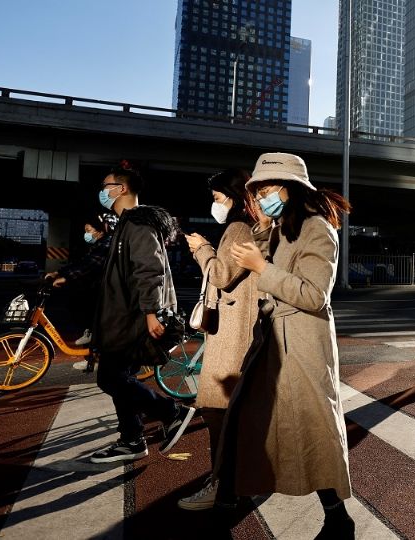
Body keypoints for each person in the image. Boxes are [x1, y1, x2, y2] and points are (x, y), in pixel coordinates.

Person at [223, 153, 354, 536]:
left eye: (267, 189)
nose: (262, 196)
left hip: (302, 342)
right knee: (256, 420)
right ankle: (236, 488)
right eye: (258, 191)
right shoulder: (283, 227)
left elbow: (314, 295)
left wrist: (261, 268)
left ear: (290, 188)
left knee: (312, 427)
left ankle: (337, 518)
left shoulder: (317, 229)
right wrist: (264, 232)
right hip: (275, 343)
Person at [89, 165, 195, 463]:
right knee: (122, 378)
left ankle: (170, 411)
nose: (102, 190)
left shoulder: (138, 225)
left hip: (133, 318)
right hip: (125, 316)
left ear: (120, 189)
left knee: (110, 379)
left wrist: (151, 311)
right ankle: (132, 439)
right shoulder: (125, 224)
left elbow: (150, 270)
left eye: (105, 185)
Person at [177, 170, 260, 510]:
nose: (214, 204)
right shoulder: (249, 227)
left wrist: (202, 249)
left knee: (218, 413)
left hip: (233, 333)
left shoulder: (238, 228)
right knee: (231, 416)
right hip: (238, 328)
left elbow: (223, 275)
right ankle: (235, 484)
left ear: (233, 196)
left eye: (216, 197)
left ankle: (223, 487)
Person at [44, 213, 117, 347]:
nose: (86, 234)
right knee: (80, 306)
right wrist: (58, 272)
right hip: (100, 285)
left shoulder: (107, 244)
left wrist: (66, 278)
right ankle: (91, 353)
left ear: (100, 231)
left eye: (88, 231)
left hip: (107, 288)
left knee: (81, 303)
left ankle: (92, 349)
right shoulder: (99, 244)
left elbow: (90, 265)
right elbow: (82, 262)